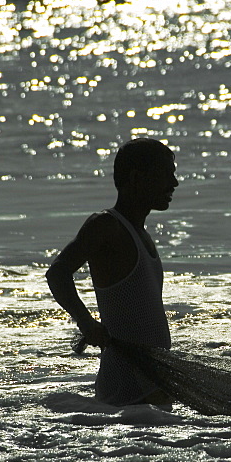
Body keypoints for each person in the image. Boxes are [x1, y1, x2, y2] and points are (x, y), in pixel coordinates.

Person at [46, 138, 178, 405]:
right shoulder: (107, 225)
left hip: (151, 380)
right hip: (127, 384)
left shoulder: (142, 235)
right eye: (166, 174)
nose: (174, 183)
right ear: (137, 178)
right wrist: (86, 323)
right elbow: (58, 273)